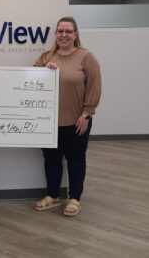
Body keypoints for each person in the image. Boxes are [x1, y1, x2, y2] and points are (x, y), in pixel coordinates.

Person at [33, 16, 101, 216]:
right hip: (49, 122)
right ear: (56, 34)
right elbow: (30, 80)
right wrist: (44, 72)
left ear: (75, 34)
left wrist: (87, 114)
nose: (64, 35)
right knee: (51, 159)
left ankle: (74, 198)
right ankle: (53, 195)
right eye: (60, 31)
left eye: (68, 31)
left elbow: (94, 86)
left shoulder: (86, 56)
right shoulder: (46, 57)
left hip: (77, 120)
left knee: (76, 159)